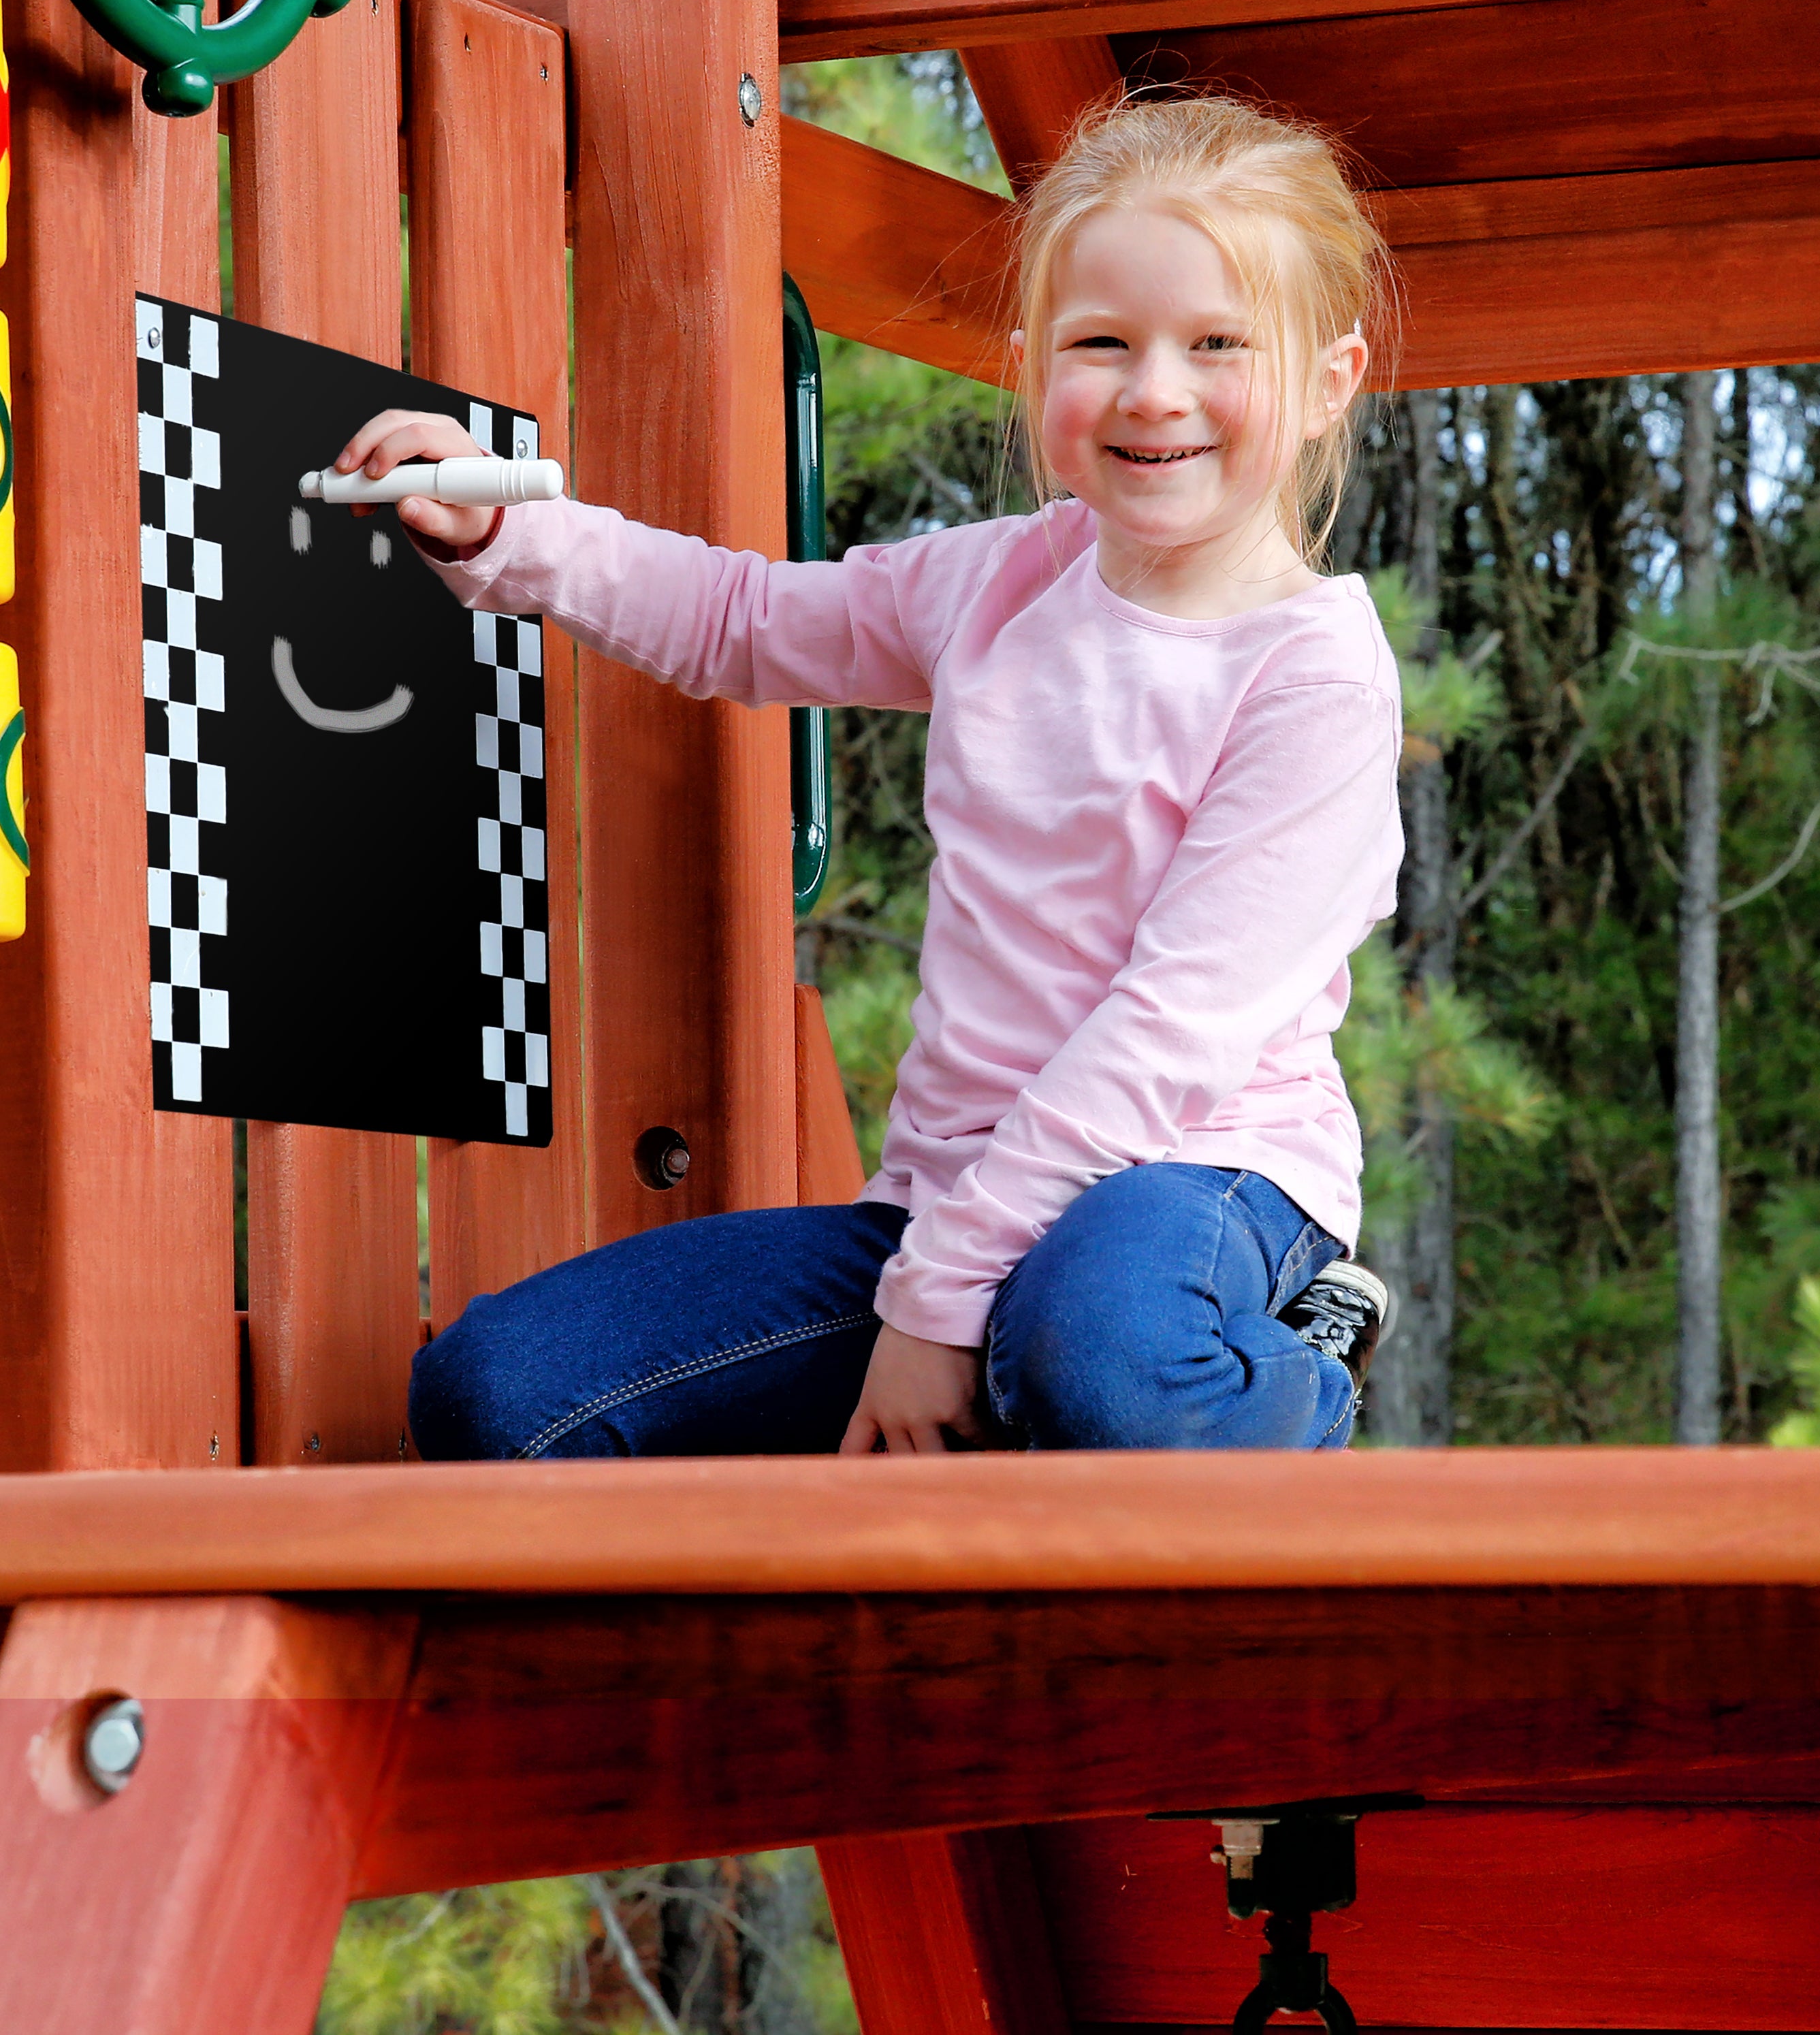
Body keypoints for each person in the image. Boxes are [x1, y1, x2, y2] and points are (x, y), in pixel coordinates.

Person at [345, 94, 1405, 1459]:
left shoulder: (1309, 675)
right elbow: (742, 619)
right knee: (496, 1393)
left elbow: (1165, 1038)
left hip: (1196, 1180)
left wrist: (935, 1311)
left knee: (1101, 1352)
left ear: (1328, 377)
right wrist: (510, 532)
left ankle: (1298, 1359)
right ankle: (990, 1382)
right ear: (1033, 368)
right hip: (949, 1214)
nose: (1154, 388)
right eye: (1104, 342)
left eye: (1217, 345)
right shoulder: (997, 583)